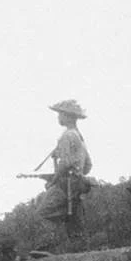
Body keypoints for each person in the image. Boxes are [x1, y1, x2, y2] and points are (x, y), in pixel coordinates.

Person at [38, 99, 92, 250]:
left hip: (66, 183)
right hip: (77, 184)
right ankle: (79, 253)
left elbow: (65, 163)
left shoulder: (67, 135)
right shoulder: (79, 137)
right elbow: (88, 165)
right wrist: (78, 172)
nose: (58, 117)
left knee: (44, 212)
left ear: (67, 116)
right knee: (75, 222)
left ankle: (48, 246)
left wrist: (53, 180)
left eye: (60, 114)